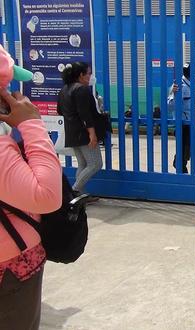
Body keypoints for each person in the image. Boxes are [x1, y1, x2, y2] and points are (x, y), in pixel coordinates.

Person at [0, 45, 62, 328]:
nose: (15, 96)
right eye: (7, 88)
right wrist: (32, 124)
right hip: (10, 269)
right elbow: (46, 195)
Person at [57, 62, 103, 201]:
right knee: (95, 164)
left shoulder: (64, 89)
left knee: (83, 164)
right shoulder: (81, 90)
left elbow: (60, 110)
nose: (90, 76)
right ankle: (74, 191)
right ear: (81, 75)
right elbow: (85, 114)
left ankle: (80, 195)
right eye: (88, 73)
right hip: (83, 133)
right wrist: (92, 134)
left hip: (71, 132)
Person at [168, 63, 195, 173]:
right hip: (184, 125)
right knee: (184, 151)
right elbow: (169, 107)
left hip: (194, 123)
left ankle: (181, 165)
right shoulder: (180, 87)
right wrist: (173, 94)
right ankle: (181, 170)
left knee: (189, 151)